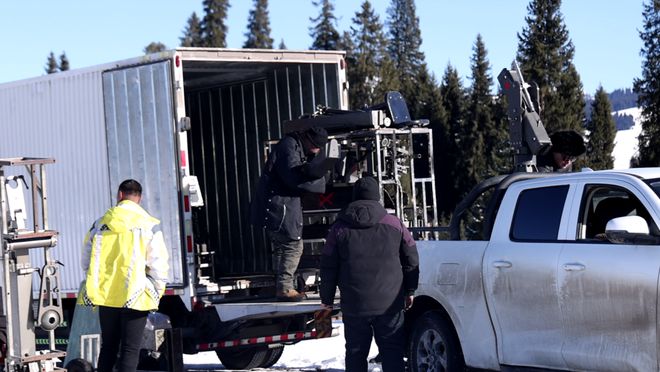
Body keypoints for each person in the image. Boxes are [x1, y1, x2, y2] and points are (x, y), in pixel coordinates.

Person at [320, 176, 419, 372]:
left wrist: (327, 300)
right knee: (392, 351)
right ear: (377, 197)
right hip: (389, 303)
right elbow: (411, 259)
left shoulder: (339, 228)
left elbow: (328, 266)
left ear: (354, 197)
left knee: (356, 353)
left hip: (354, 304)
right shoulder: (395, 224)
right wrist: (410, 290)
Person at [80, 179, 169, 372]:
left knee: (109, 347)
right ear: (140, 198)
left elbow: (86, 260)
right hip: (135, 295)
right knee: (130, 349)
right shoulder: (149, 225)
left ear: (120, 195)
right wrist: (157, 291)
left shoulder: (100, 224)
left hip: (106, 296)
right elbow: (159, 264)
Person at [251, 126, 329, 301]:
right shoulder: (289, 147)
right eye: (316, 146)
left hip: (275, 204)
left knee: (281, 247)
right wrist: (318, 181)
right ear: (307, 138)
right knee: (293, 245)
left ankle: (281, 286)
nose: (316, 150)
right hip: (279, 205)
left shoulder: (291, 145)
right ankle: (285, 288)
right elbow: (293, 177)